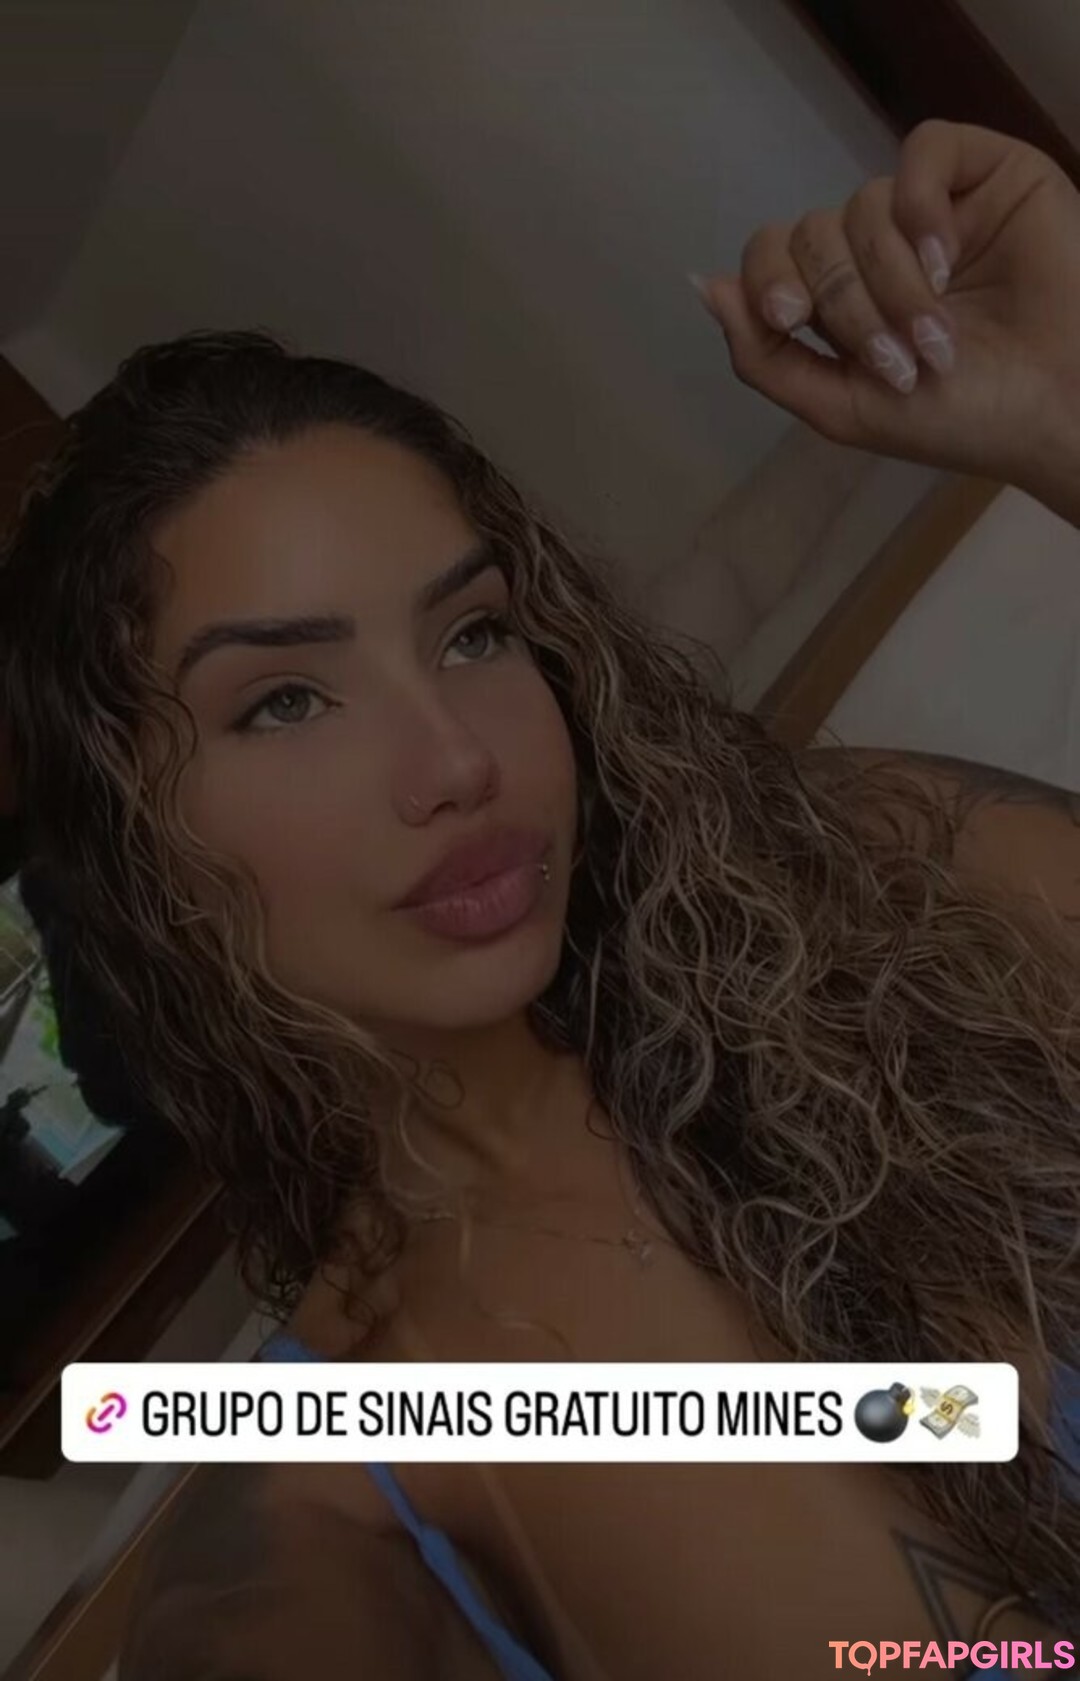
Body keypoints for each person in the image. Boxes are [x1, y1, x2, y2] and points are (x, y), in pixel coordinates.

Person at [2, 119, 1079, 1679]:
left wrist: (1062, 416)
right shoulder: (342, 1494)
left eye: (473, 634)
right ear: (136, 847)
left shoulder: (899, 870)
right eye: (285, 702)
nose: (457, 759)